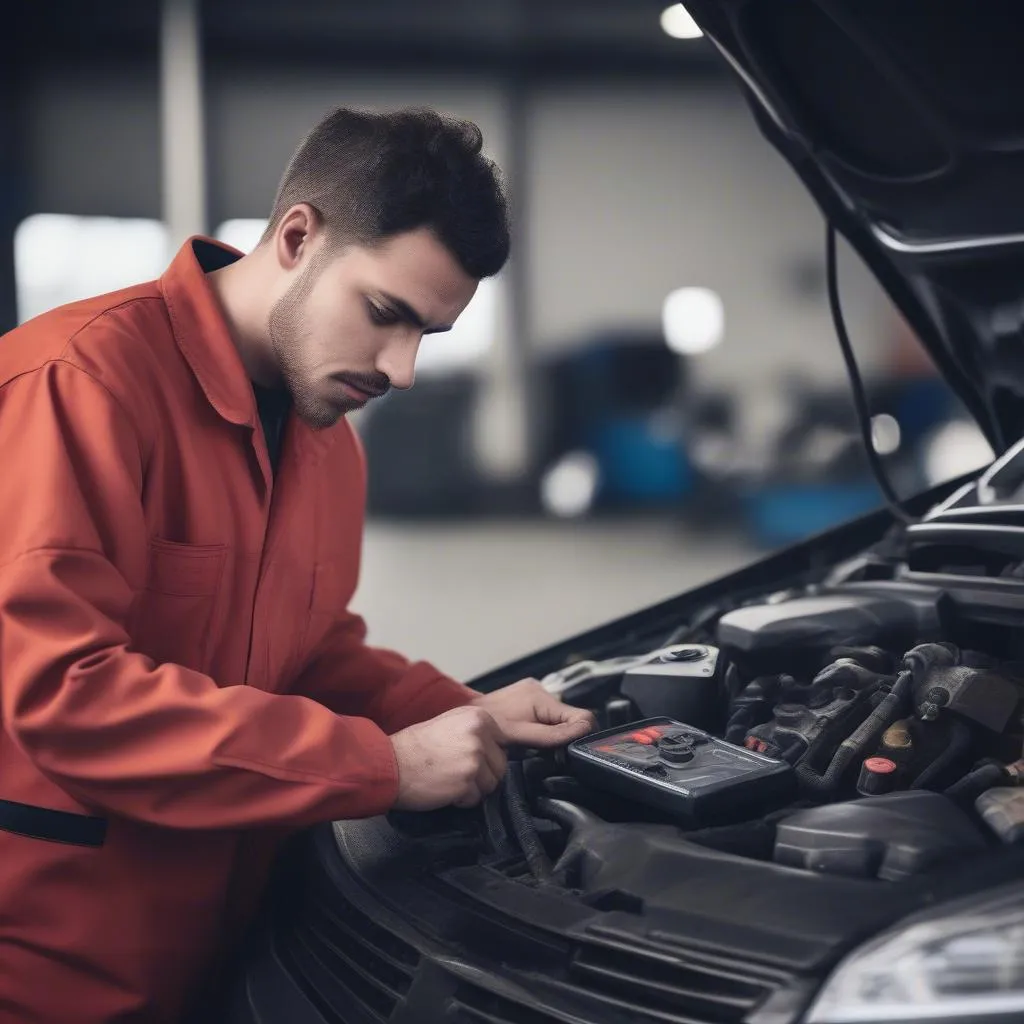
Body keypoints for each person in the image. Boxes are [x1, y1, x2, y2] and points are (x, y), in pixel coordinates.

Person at [0, 107, 595, 1024]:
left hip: (231, 953)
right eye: (386, 314)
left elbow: (309, 655)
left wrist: (460, 713)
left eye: (426, 335)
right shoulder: (78, 383)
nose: (400, 370)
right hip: (52, 975)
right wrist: (381, 765)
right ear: (297, 236)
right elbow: (62, 694)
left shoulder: (326, 442)